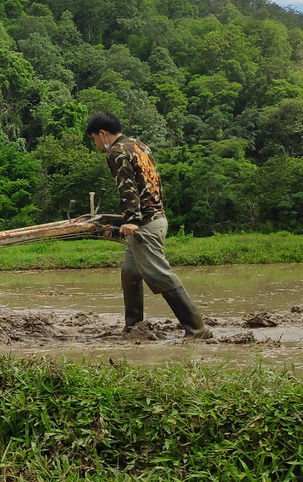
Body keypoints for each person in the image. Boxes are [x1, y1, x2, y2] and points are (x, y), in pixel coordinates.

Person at [85, 111, 212, 339]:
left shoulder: (116, 152)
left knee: (159, 274)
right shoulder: (140, 146)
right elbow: (153, 182)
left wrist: (132, 221)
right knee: (130, 273)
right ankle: (134, 327)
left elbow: (128, 187)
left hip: (145, 224)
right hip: (156, 217)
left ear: (102, 133)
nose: (96, 144)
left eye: (94, 138)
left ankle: (197, 329)